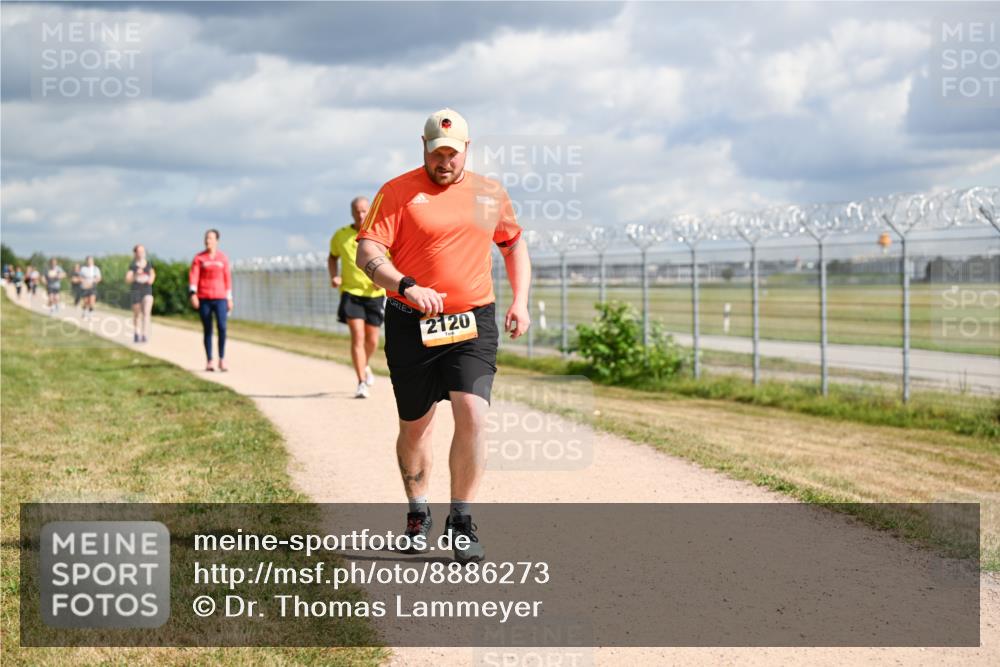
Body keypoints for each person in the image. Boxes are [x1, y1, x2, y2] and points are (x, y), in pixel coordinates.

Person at [356, 108, 531, 563]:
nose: (445, 162)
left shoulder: (489, 194)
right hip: (408, 321)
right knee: (416, 426)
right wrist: (406, 286)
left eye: (453, 154)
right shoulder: (396, 192)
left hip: (472, 321)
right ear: (424, 147)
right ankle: (418, 513)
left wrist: (520, 300)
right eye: (437, 154)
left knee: (472, 412)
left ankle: (462, 521)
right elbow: (368, 251)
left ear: (467, 150)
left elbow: (514, 246)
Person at [329, 196, 386, 398]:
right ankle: (361, 382)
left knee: (372, 340)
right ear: (352, 212)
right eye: (357, 211)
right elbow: (332, 256)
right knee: (358, 337)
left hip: (375, 294)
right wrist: (334, 276)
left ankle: (365, 363)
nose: (361, 215)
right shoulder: (341, 235)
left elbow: (394, 260)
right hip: (351, 292)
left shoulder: (380, 232)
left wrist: (383, 279)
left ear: (370, 211)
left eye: (364, 211)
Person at [189, 229, 232, 372]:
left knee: (222, 327)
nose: (208, 241)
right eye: (206, 238)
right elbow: (194, 276)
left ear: (217, 241)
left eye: (211, 238)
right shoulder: (199, 258)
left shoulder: (223, 258)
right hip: (204, 297)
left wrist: (229, 298)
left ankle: (222, 358)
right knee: (208, 329)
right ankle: (210, 360)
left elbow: (227, 278)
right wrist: (193, 294)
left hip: (220, 297)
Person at [125, 244, 156, 343]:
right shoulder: (132, 266)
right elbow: (127, 279)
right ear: (135, 253)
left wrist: (150, 279)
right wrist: (135, 275)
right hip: (136, 290)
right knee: (137, 314)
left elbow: (153, 274)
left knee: (146, 312)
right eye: (139, 251)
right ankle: (136, 333)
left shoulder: (149, 264)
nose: (141, 253)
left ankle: (144, 334)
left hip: (147, 290)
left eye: (143, 251)